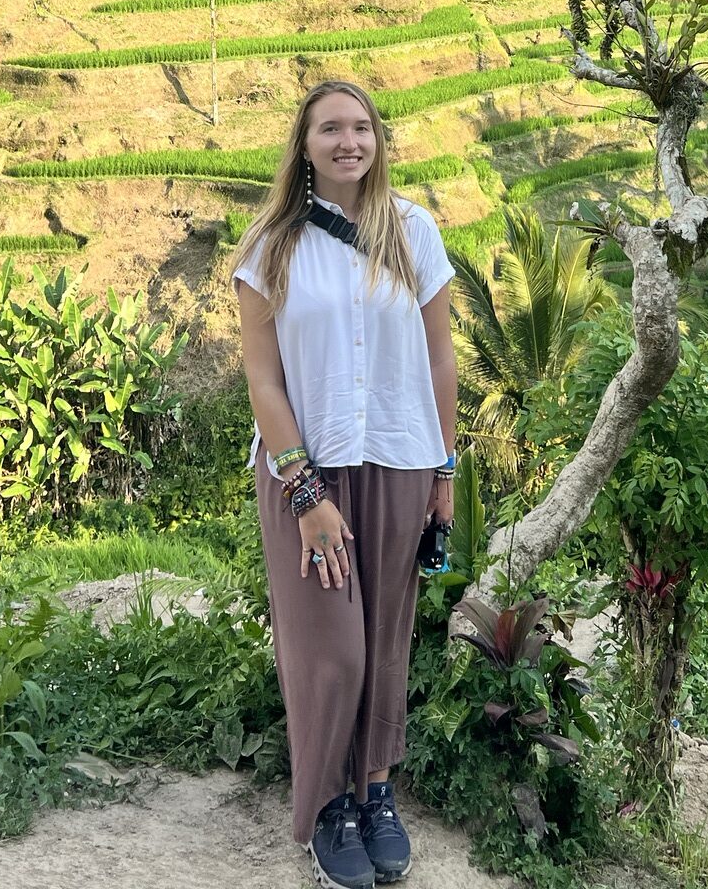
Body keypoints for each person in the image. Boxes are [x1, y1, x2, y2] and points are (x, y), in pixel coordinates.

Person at [232, 79, 458, 888]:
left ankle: (374, 793)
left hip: (399, 462)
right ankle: (327, 806)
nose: (348, 141)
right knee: (332, 653)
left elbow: (439, 359)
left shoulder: (414, 233)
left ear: (378, 141)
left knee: (386, 645)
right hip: (311, 472)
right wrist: (303, 492)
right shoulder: (271, 248)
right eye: (330, 128)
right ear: (305, 145)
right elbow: (263, 382)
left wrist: (445, 469)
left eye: (361, 127)